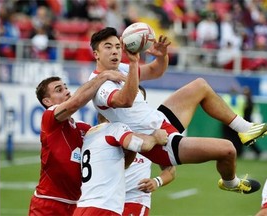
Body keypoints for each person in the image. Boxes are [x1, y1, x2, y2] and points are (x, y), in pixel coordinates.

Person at [88, 27, 267, 194]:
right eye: (108, 47)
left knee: (200, 86)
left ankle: (245, 129)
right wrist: (135, 62)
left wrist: (161, 56)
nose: (115, 51)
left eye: (117, 46)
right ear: (96, 54)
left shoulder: (120, 67)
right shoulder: (98, 84)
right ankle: (231, 182)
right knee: (228, 149)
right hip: (159, 141)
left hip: (159, 120)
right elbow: (125, 101)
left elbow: (155, 71)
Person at [28, 72, 126, 216]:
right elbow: (75, 103)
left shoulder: (84, 129)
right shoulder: (49, 118)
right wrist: (103, 76)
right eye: (59, 90)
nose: (67, 91)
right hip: (48, 204)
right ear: (47, 102)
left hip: (77, 205)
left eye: (66, 87)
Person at [73, 115, 168, 216]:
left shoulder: (90, 134)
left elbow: (125, 164)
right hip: (105, 206)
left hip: (86, 205)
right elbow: (141, 145)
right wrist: (156, 138)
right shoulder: (116, 129)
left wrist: (157, 181)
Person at [123, 86, 176, 216]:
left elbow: (171, 170)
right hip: (107, 198)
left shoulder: (154, 134)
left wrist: (156, 181)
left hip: (135, 199)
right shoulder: (113, 128)